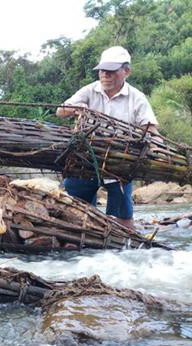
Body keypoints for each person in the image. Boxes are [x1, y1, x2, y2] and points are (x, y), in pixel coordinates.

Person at [55, 46, 160, 229]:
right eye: (102, 71)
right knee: (75, 209)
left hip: (120, 164)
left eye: (111, 71)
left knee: (123, 218)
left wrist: (158, 150)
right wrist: (77, 107)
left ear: (126, 71)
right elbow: (60, 111)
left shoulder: (137, 98)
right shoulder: (90, 90)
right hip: (85, 161)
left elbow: (151, 130)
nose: (105, 75)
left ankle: (126, 249)